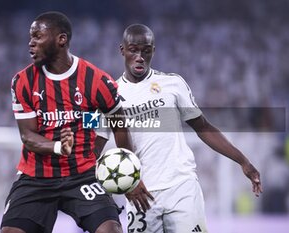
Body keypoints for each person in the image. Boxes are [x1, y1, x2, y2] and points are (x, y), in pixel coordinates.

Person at [95, 24, 262, 233]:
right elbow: (94, 146)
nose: (140, 56)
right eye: (133, 50)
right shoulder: (107, 95)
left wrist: (243, 161)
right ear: (122, 50)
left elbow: (202, 127)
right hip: (140, 192)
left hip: (181, 187)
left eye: (146, 50)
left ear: (153, 51)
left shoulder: (173, 83)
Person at [0, 11, 136, 233]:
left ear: (61, 39)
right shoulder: (23, 81)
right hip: (36, 177)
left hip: (82, 176)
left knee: (111, 230)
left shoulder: (97, 81)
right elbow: (28, 136)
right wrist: (58, 147)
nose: (30, 43)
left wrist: (129, 173)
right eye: (30, 37)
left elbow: (118, 124)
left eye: (37, 37)